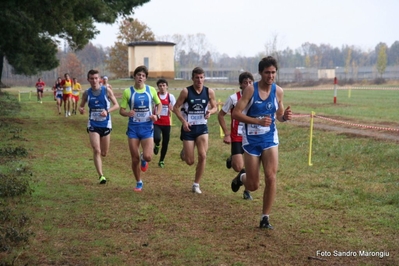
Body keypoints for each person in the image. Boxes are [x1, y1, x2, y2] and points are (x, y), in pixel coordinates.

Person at [231, 56, 292, 230]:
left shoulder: (278, 91)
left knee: (271, 177)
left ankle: (265, 217)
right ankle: (241, 178)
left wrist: (284, 117)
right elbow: (236, 113)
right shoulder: (251, 90)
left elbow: (279, 115)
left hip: (269, 138)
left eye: (273, 72)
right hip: (251, 140)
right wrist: (257, 122)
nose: (270, 76)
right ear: (260, 73)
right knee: (253, 184)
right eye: (267, 72)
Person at [173, 67, 218, 194]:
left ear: (204, 78)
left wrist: (210, 111)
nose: (199, 80)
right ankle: (186, 153)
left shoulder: (209, 92)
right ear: (192, 78)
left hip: (202, 127)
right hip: (189, 128)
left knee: (203, 155)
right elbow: (175, 108)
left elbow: (215, 107)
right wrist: (183, 122)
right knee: (190, 161)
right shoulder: (186, 92)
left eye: (201, 77)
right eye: (197, 77)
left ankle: (196, 184)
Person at [119, 65, 162, 192]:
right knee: (134, 158)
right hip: (133, 128)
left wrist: (157, 115)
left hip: (147, 127)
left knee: (148, 157)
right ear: (134, 76)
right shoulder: (128, 92)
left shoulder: (151, 90)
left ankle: (144, 158)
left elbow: (159, 104)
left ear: (146, 78)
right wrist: (128, 113)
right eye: (139, 75)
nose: (140, 77)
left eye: (143, 76)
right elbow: (121, 111)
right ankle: (138, 181)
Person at [218, 71, 254, 200]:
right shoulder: (233, 98)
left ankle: (246, 191)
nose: (248, 85)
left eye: (250, 82)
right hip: (237, 137)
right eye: (245, 82)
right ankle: (233, 161)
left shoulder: (256, 98)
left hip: (252, 136)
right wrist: (227, 133)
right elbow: (220, 115)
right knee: (238, 166)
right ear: (240, 84)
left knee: (251, 166)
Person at [79, 69, 119, 184]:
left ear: (99, 79)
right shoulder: (86, 93)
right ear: (88, 80)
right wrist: (81, 109)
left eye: (96, 78)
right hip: (93, 124)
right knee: (96, 150)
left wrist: (107, 111)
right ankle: (101, 176)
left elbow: (116, 105)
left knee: (104, 153)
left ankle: (101, 163)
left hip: (105, 124)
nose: (94, 80)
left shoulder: (106, 90)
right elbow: (81, 106)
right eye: (91, 78)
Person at [153, 78, 176, 168]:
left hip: (167, 123)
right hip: (157, 122)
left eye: (164, 85)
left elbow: (175, 109)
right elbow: (151, 107)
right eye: (160, 86)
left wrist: (172, 109)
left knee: (165, 143)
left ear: (167, 86)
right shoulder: (155, 96)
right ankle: (157, 144)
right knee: (157, 137)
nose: (162, 87)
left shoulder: (170, 97)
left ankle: (161, 160)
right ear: (158, 87)